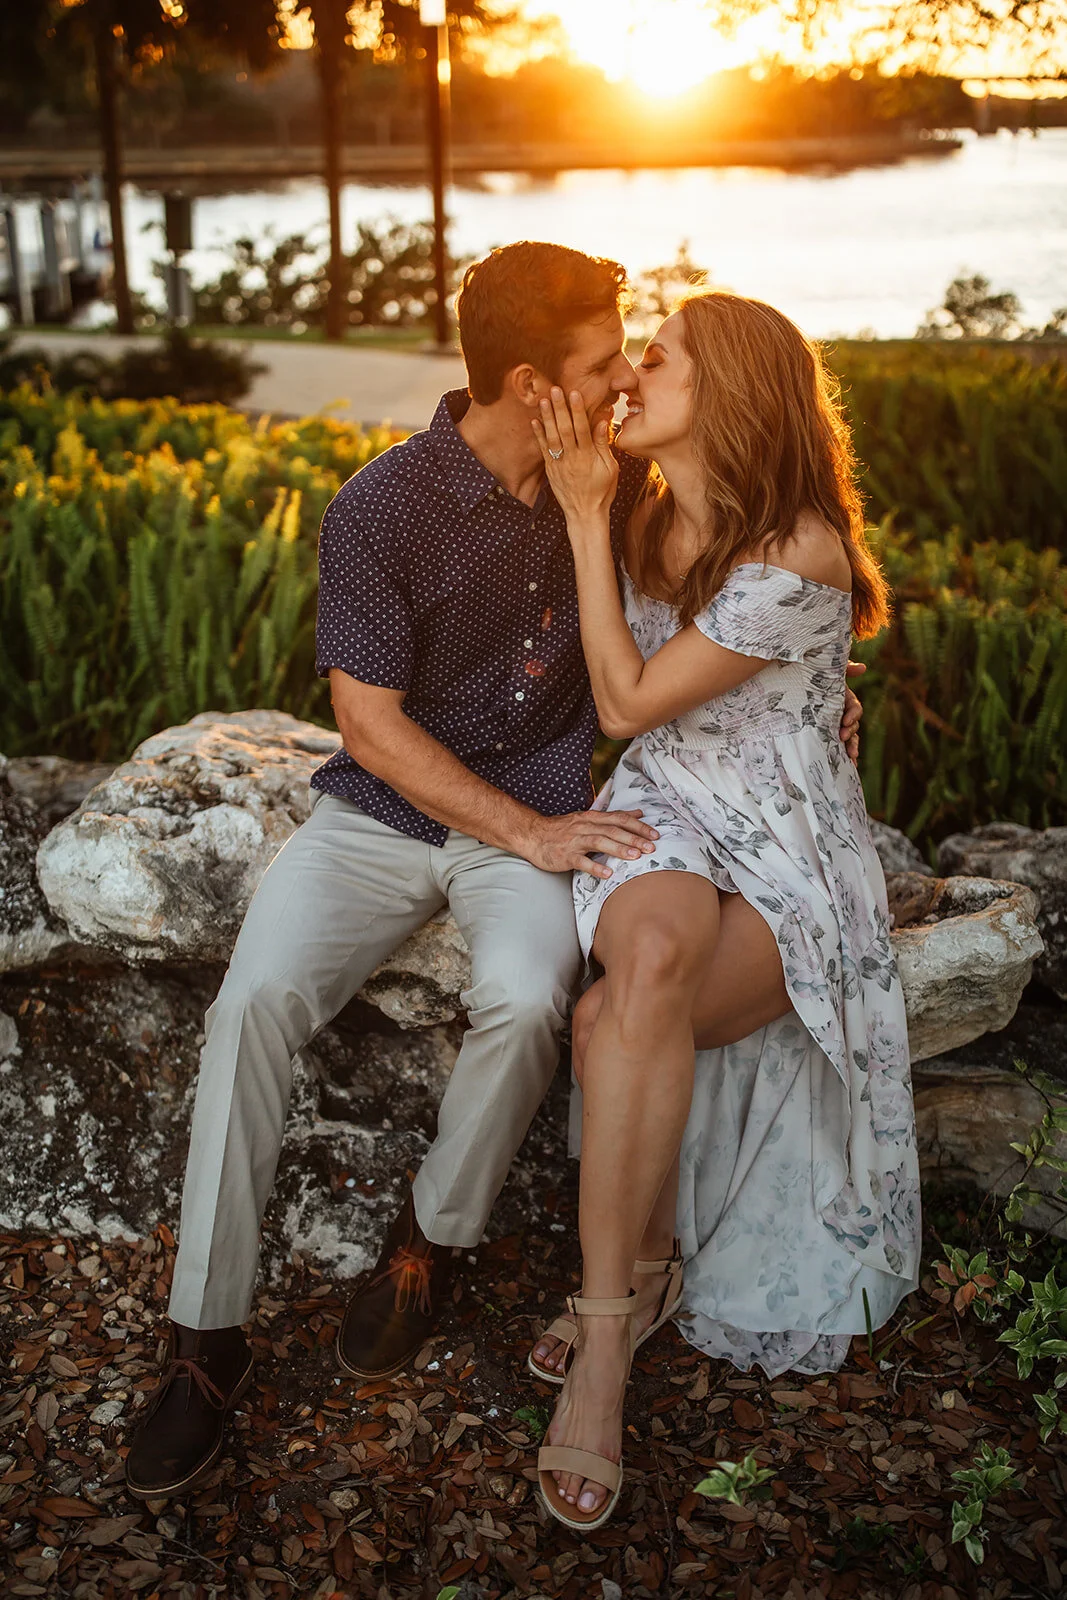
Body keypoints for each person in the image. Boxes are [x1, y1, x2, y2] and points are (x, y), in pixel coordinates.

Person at [123, 245, 863, 1501]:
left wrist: (832, 697)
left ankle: (430, 1236)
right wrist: (522, 834)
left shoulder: (622, 486)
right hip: (384, 813)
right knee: (248, 1003)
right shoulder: (380, 506)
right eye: (599, 362)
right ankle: (206, 1337)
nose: (624, 377)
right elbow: (368, 728)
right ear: (533, 384)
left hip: (543, 815)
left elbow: (748, 590)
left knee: (527, 1001)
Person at [526, 290, 920, 1531]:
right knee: (640, 959)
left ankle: (636, 1281)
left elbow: (628, 700)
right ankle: (606, 1345)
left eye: (656, 358)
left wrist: (584, 521)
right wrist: (593, 506)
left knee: (607, 1025)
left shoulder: (794, 549)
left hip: (791, 844)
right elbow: (649, 737)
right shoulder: (648, 517)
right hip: (670, 812)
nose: (632, 376)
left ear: (731, 392)